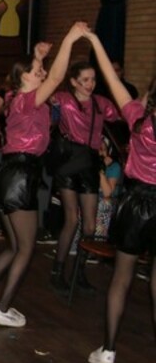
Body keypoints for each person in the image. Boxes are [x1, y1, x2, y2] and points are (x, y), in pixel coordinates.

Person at [0, 22, 86, 328]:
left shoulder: (18, 99)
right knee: (27, 248)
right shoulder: (27, 100)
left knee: (15, 247)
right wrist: (70, 38)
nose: (42, 74)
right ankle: (3, 309)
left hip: (6, 174)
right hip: (19, 175)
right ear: (22, 79)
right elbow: (55, 77)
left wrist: (38, 58)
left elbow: (43, 77)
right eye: (36, 71)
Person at [83, 33, 156, 363]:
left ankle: (108, 351)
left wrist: (94, 40)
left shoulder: (138, 117)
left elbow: (110, 77)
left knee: (122, 277)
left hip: (136, 203)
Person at [47, 60, 121, 293]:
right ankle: (57, 272)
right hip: (69, 163)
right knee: (72, 220)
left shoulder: (101, 103)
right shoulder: (63, 99)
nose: (90, 84)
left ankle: (79, 272)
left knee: (89, 225)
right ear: (73, 81)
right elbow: (45, 105)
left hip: (89, 164)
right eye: (85, 80)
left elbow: (125, 112)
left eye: (93, 79)